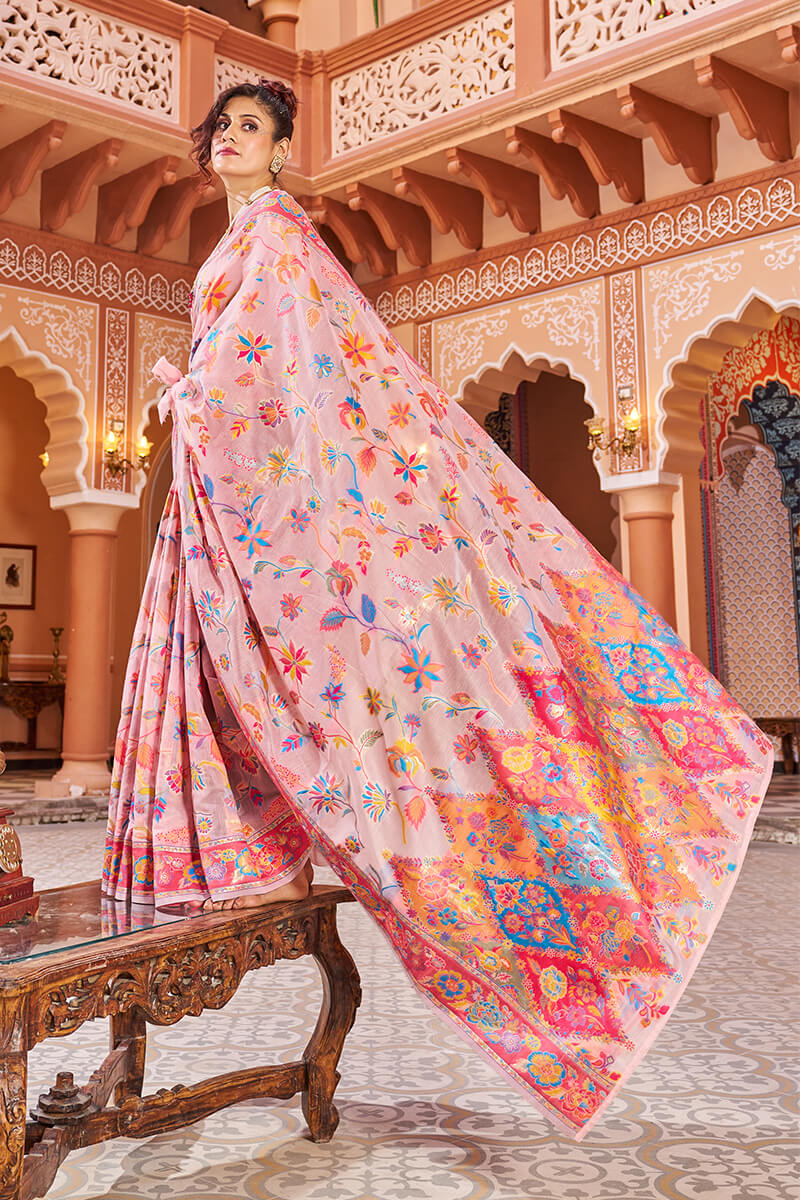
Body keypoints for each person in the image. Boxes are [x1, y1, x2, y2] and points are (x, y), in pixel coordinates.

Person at [103, 79, 772, 1138]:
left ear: (279, 153)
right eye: (219, 128)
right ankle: (233, 862)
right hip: (214, 491)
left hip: (241, 472)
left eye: (250, 129)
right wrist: (196, 401)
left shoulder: (277, 237)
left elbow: (280, 377)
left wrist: (190, 398)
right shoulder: (239, 243)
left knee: (364, 669)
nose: (227, 141)